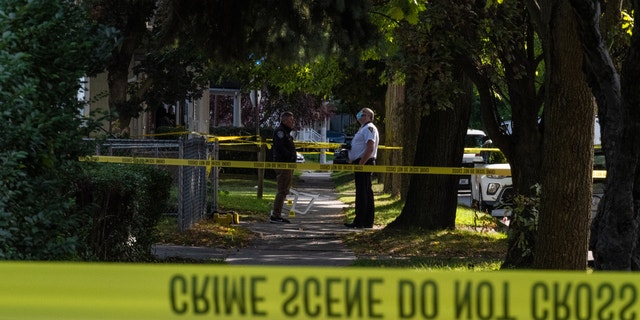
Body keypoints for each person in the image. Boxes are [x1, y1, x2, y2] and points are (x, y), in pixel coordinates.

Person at [344, 108, 379, 228]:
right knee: (363, 191)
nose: (359, 115)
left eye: (363, 113)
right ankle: (364, 221)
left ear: (369, 116)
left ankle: (361, 221)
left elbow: (370, 147)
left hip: (365, 163)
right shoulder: (363, 128)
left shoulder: (369, 128)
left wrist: (361, 164)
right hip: (361, 162)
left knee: (363, 193)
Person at [270, 111, 297, 224]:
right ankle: (276, 215)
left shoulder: (286, 132)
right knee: (282, 190)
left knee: (284, 190)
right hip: (283, 164)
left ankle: (277, 213)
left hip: (287, 165)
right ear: (285, 121)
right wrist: (290, 156)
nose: (293, 123)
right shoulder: (280, 132)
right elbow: (280, 147)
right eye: (291, 120)